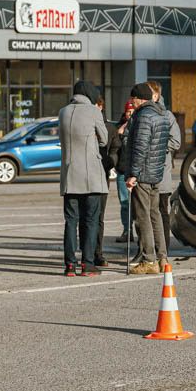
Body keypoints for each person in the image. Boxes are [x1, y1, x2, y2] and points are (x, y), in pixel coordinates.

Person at [122, 83, 174, 275]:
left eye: (132, 99)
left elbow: (140, 147)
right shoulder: (161, 114)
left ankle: (149, 260)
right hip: (155, 173)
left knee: (143, 216)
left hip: (142, 174)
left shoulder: (143, 116)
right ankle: (162, 258)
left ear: (139, 98)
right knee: (155, 215)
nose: (131, 102)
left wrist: (133, 174)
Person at [58, 80, 108, 277]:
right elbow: (104, 139)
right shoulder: (94, 111)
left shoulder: (63, 112)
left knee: (71, 221)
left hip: (69, 174)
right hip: (90, 175)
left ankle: (70, 265)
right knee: (91, 220)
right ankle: (87, 264)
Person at [147, 80, 181, 256]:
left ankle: (163, 250)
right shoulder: (142, 114)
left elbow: (176, 142)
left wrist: (156, 146)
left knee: (161, 212)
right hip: (144, 174)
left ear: (156, 95)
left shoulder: (167, 116)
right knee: (143, 214)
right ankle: (145, 249)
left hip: (161, 173)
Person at [92, 96, 119, 268]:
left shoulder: (109, 128)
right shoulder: (85, 123)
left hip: (102, 175)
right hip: (89, 175)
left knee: (98, 217)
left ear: (101, 106)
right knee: (88, 217)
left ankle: (97, 253)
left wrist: (109, 163)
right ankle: (90, 253)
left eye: (95, 105)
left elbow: (116, 150)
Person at [113, 99, 135, 243]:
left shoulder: (140, 124)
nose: (130, 114)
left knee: (137, 204)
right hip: (122, 170)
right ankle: (127, 230)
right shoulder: (119, 127)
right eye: (128, 112)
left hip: (136, 172)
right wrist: (120, 133)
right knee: (125, 203)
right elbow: (114, 146)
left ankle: (140, 232)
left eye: (132, 112)